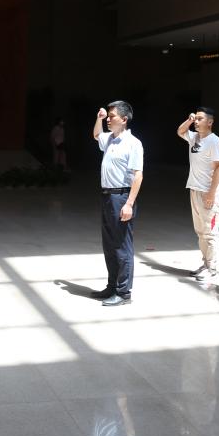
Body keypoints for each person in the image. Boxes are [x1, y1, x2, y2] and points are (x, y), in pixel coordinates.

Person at [91, 101, 144, 306]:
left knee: (122, 247)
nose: (109, 119)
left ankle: (123, 293)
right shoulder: (109, 139)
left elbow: (138, 175)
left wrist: (129, 204)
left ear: (124, 119)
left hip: (121, 197)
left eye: (112, 116)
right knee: (109, 245)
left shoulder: (133, 143)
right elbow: (96, 135)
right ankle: (112, 286)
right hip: (107, 196)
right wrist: (99, 118)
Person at [176, 107, 219, 282]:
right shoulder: (194, 137)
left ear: (210, 122)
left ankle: (212, 267)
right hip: (195, 190)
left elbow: (218, 167)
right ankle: (205, 263)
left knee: (210, 232)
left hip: (208, 192)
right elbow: (180, 131)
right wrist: (189, 120)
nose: (196, 121)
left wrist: (211, 193)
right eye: (195, 118)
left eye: (199, 119)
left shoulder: (214, 141)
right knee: (201, 231)